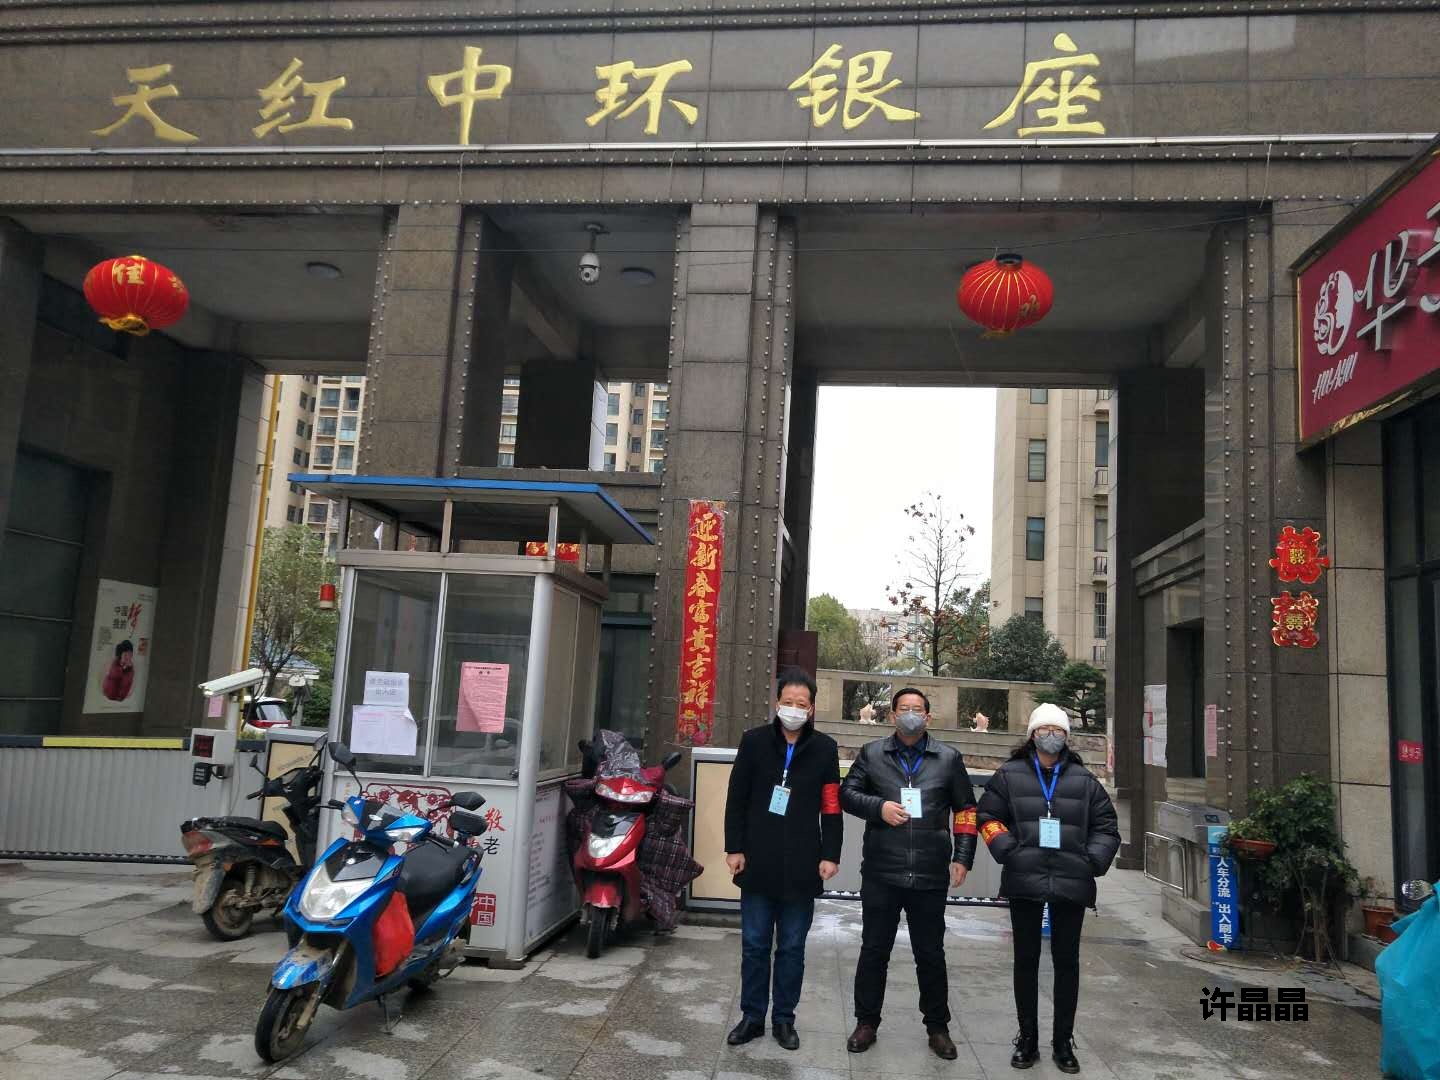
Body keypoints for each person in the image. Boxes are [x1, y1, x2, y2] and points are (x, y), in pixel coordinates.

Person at [977, 703, 1121, 1074]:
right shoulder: (1009, 775)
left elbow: (1107, 827)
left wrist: (1092, 861)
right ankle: (1027, 1039)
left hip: (1072, 880)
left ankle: (1063, 1042)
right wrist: (1008, 850)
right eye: (1044, 730)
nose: (1051, 736)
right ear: (1033, 735)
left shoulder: (1083, 780)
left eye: (1058, 730)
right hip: (1024, 878)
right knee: (1025, 960)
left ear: (1066, 736)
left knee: (1067, 962)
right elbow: (988, 817)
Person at [841, 688, 978, 1060]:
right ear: (892, 715)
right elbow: (847, 794)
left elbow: (967, 810)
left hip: (930, 873)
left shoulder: (948, 758)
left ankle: (937, 1027)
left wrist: (963, 857)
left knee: (930, 953)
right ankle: (866, 1022)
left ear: (928, 717)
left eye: (917, 709)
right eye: (904, 708)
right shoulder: (872, 753)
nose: (911, 714)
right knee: (874, 950)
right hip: (882, 871)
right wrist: (879, 807)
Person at [723, 667, 842, 1052]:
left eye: (801, 703)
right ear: (777, 704)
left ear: (811, 709)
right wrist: (734, 847)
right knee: (755, 944)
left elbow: (831, 806)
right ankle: (752, 1016)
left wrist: (831, 854)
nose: (793, 708)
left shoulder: (824, 748)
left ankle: (784, 1019)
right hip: (757, 859)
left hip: (803, 863)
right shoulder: (754, 741)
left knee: (791, 947)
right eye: (787, 702)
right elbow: (737, 798)